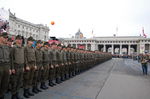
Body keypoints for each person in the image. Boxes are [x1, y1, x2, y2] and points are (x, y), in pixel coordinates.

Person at [10, 35, 24, 99]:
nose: (20, 40)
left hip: (21, 66)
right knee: (14, 81)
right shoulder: (14, 47)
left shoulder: (22, 48)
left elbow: (23, 58)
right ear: (16, 40)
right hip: (16, 66)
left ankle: (17, 93)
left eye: (21, 39)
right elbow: (11, 58)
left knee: (19, 81)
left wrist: (23, 67)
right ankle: (13, 95)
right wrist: (12, 68)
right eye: (18, 39)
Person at [0, 32, 11, 99]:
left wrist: (9, 68)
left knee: (5, 83)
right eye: (4, 37)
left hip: (6, 66)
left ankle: (2, 95)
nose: (6, 39)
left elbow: (9, 58)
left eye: (7, 38)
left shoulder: (7, 47)